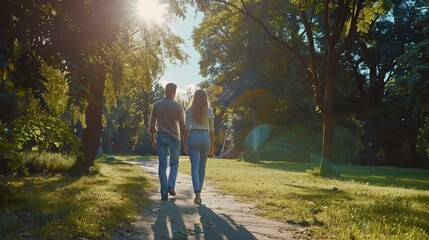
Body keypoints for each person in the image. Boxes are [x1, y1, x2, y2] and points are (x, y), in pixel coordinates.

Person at [149, 83, 186, 201]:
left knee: (162, 165)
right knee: (174, 163)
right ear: (174, 92)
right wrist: (185, 140)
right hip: (174, 137)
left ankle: (164, 193)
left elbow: (152, 125)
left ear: (165, 91)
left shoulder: (157, 105)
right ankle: (171, 186)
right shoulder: (178, 106)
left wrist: (153, 138)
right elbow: (182, 125)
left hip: (161, 136)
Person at [183, 89, 215, 204]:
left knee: (194, 166)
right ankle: (199, 193)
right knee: (202, 166)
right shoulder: (210, 111)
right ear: (205, 97)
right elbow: (212, 130)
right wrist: (212, 146)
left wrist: (185, 143)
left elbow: (186, 129)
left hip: (193, 136)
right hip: (205, 138)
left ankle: (197, 193)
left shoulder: (189, 110)